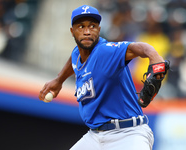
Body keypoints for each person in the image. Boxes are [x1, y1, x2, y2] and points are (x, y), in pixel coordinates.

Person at [39, 5, 165, 150]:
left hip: (128, 134)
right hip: (95, 136)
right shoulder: (77, 53)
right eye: (81, 27)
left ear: (98, 30)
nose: (87, 32)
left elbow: (139, 48)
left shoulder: (106, 51)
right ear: (72, 31)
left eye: (92, 26)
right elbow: (74, 60)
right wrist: (59, 80)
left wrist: (155, 57)